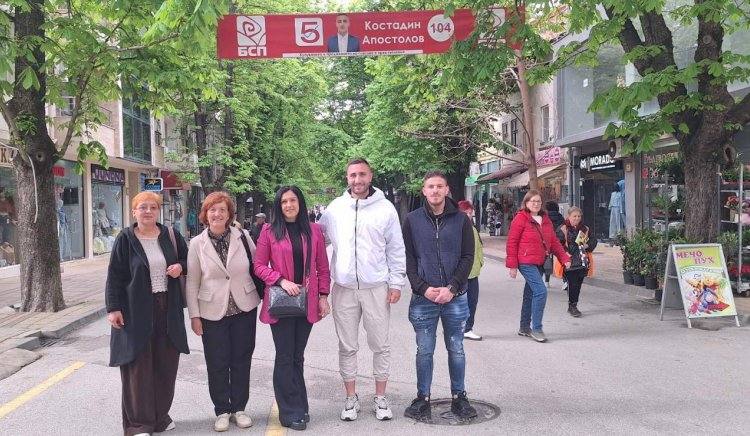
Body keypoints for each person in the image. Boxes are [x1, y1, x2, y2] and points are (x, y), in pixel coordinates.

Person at [317, 158, 406, 422]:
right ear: (347, 178)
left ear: (370, 176)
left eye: (362, 174)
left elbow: (396, 247)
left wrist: (396, 282)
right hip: (344, 288)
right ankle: (350, 397)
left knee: (380, 344)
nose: (357, 180)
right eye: (353, 175)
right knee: (347, 346)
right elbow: (318, 242)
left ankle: (380, 397)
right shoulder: (335, 209)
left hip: (376, 287)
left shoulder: (386, 209)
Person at [105, 191, 189, 436]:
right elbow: (115, 275)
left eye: (153, 207)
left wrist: (181, 267)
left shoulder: (171, 235)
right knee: (138, 367)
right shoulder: (125, 239)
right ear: (134, 212)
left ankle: (160, 417)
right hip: (135, 309)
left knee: (166, 363)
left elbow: (188, 260)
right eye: (143, 207)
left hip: (168, 308)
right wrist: (113, 308)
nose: (148, 211)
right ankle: (139, 424)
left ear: (158, 211)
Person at [254, 186, 331, 431]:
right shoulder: (269, 231)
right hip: (282, 302)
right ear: (279, 205)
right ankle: (289, 411)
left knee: (298, 356)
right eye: (284, 201)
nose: (289, 205)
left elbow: (323, 267)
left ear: (300, 203)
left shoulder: (314, 230)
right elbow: (258, 265)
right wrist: (280, 280)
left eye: (293, 200)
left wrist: (323, 296)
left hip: (307, 302)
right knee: (285, 355)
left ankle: (300, 404)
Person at [402, 169, 476, 422]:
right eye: (431, 186)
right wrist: (422, 287)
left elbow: (468, 256)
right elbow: (408, 258)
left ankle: (459, 397)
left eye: (439, 186)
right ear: (424, 190)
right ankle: (423, 398)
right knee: (424, 350)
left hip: (455, 297)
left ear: (447, 190)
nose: (435, 190)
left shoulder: (461, 220)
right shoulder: (412, 221)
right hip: (424, 298)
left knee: (456, 348)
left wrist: (452, 288)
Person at [186, 191, 261, 432]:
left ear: (229, 214)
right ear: (205, 214)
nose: (217, 214)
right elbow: (192, 282)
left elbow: (258, 265)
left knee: (241, 360)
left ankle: (239, 408)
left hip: (243, 308)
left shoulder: (243, 237)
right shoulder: (197, 244)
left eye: (222, 210)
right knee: (216, 362)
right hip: (211, 312)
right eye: (212, 210)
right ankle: (221, 410)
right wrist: (194, 315)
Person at [505, 190, 570, 343]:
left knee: (530, 293)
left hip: (540, 261)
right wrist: (512, 266)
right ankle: (537, 329)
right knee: (541, 291)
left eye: (538, 201)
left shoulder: (545, 219)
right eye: (532, 201)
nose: (535, 204)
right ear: (526, 203)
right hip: (526, 261)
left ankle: (524, 327)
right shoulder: (520, 218)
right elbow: (512, 242)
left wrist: (564, 258)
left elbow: (554, 242)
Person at [557, 207, 597, 317]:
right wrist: (565, 252)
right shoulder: (563, 229)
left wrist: (588, 245)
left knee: (578, 284)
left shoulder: (585, 229)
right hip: (569, 261)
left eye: (579, 216)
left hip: (582, 260)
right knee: (573, 283)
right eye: (574, 216)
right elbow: (557, 243)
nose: (577, 218)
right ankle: (572, 306)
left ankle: (573, 303)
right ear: (569, 216)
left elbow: (593, 240)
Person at [457, 200, 484, 341]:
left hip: (473, 272)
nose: (468, 215)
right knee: (459, 302)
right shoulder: (456, 228)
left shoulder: (472, 228)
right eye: (465, 213)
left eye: (470, 213)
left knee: (472, 301)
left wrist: (480, 262)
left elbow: (478, 248)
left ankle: (467, 328)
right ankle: (460, 328)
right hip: (461, 273)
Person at [544, 201, 565, 289]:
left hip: (549, 241)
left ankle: (547, 281)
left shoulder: (545, 217)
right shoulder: (561, 217)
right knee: (562, 260)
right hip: (559, 240)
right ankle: (565, 281)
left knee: (548, 260)